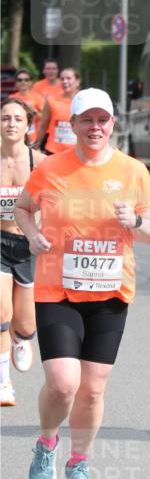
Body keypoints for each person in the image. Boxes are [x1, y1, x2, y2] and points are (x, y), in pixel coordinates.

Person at [15, 88, 150, 479]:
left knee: (93, 389)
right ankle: (46, 443)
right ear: (73, 124)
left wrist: (133, 219)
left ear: (113, 123)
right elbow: (23, 209)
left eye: (103, 120)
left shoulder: (132, 171)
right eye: (87, 120)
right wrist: (32, 235)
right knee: (63, 383)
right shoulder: (50, 168)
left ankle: (79, 464)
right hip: (56, 287)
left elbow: (149, 233)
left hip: (110, 291)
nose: (95, 127)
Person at [1, 98, 47, 405]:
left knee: (27, 324)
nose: (11, 123)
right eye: (5, 118)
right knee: (1, 313)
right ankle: (3, 382)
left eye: (18, 118)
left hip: (30, 246)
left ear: (28, 125)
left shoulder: (40, 162)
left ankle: (22, 337)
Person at [36, 67, 80, 154]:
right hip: (54, 151)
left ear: (77, 81)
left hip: (77, 151)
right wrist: (36, 145)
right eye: (62, 79)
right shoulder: (51, 100)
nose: (65, 81)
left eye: (68, 78)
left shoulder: (84, 100)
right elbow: (43, 125)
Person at [10, 69, 45, 145]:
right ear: (16, 83)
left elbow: (45, 118)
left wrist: (34, 111)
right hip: (16, 136)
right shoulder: (11, 98)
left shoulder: (38, 97)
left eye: (26, 80)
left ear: (31, 82)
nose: (23, 82)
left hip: (33, 138)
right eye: (20, 80)